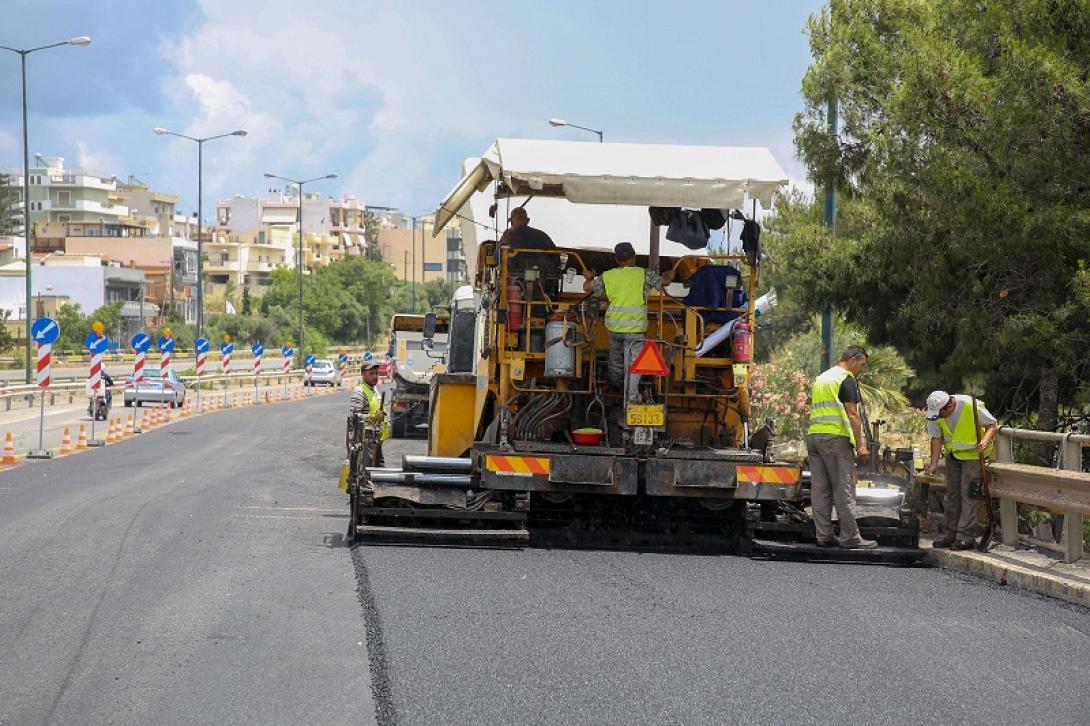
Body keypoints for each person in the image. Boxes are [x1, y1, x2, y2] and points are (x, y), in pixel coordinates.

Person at [583, 242, 675, 402]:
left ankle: (615, 384)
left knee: (615, 359)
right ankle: (631, 398)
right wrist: (669, 274)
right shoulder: (644, 274)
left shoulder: (608, 275)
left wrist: (590, 277)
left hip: (614, 327)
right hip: (635, 329)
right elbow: (665, 283)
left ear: (617, 260)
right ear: (634, 257)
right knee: (633, 365)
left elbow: (587, 288)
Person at [806, 346, 878, 549]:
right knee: (843, 488)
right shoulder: (845, 378)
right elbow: (852, 414)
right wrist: (861, 445)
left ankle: (824, 536)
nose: (862, 369)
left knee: (820, 490)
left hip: (814, 437)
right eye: (862, 364)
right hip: (835, 439)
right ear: (852, 360)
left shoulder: (822, 378)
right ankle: (850, 538)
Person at [925, 390, 998, 550]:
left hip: (973, 456)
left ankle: (965, 537)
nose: (938, 417)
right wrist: (934, 464)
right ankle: (950, 535)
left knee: (968, 496)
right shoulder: (936, 414)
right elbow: (936, 439)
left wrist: (985, 441)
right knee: (952, 495)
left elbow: (992, 424)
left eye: (940, 413)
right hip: (953, 456)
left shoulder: (970, 406)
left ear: (950, 406)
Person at [349, 361, 389, 466]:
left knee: (379, 471)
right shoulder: (359, 392)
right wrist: (373, 418)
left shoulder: (374, 390)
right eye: (371, 374)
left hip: (376, 439)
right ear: (363, 374)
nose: (375, 376)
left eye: (376, 373)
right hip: (365, 440)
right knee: (367, 472)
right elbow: (355, 417)